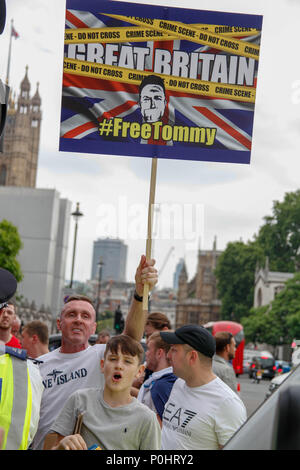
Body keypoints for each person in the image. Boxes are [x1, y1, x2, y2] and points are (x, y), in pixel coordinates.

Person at [31, 255, 158, 450]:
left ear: (94, 327)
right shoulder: (36, 366)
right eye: (71, 314)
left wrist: (140, 293)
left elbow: (131, 337)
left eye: (86, 316)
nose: (78, 320)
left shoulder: (102, 355)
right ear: (59, 323)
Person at [44, 335, 161, 450]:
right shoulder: (80, 399)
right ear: (102, 365)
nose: (119, 366)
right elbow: (51, 446)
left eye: (127, 361)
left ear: (139, 371)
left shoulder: (146, 419)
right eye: (113, 359)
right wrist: (61, 446)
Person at [160, 324, 247, 450]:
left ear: (192, 357)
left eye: (173, 350)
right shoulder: (179, 384)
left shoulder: (227, 403)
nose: (168, 355)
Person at [137, 331, 177, 426]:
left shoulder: (162, 385)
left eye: (148, 349)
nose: (146, 353)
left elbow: (166, 426)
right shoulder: (160, 380)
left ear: (159, 353)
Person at [132, 311, 172, 394]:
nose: (147, 341)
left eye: (150, 335)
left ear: (165, 331)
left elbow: (148, 397)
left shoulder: (172, 374)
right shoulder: (150, 365)